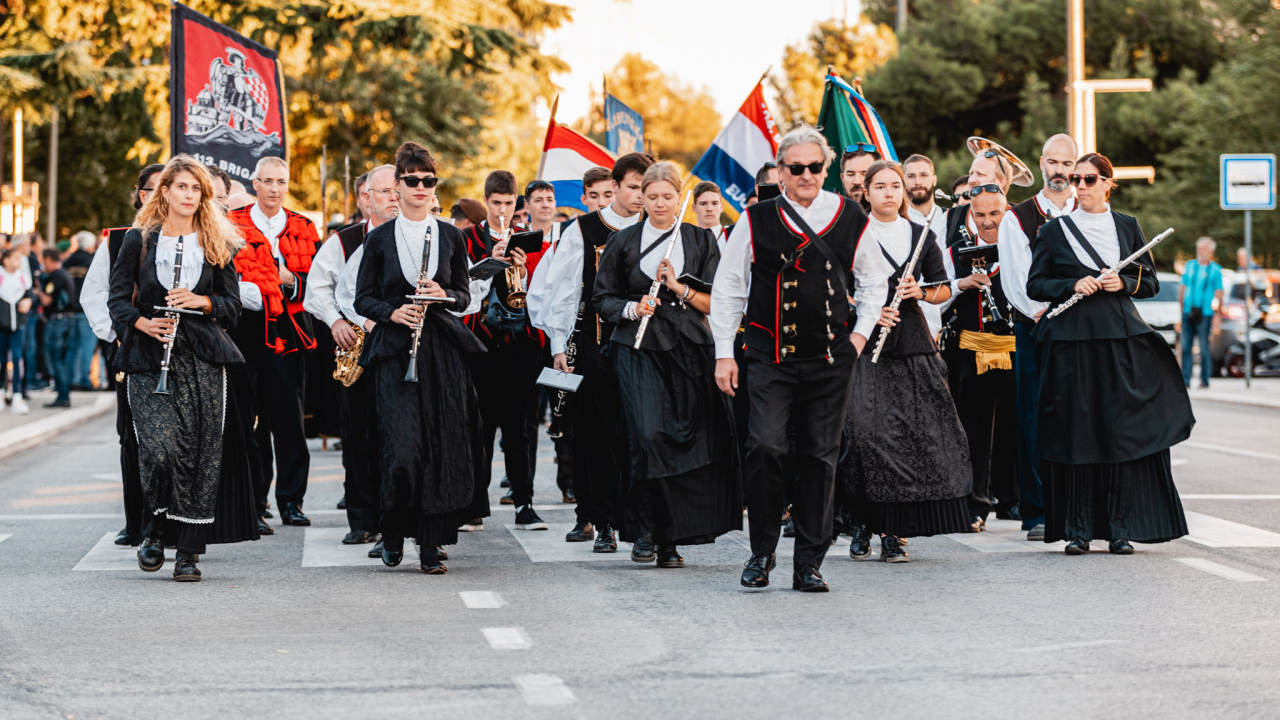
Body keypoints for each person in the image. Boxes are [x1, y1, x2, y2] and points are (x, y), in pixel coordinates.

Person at [711, 125, 880, 592]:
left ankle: (808, 562)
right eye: (796, 167)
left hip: (830, 359)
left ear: (826, 170)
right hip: (768, 356)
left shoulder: (849, 216)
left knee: (819, 458)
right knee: (764, 446)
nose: (806, 175)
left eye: (815, 167)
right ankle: (761, 552)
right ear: (781, 171)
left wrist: (860, 337)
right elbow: (728, 288)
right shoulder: (755, 219)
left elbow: (874, 282)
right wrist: (725, 353)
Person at [1028, 152, 1193, 554]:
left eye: (1088, 179)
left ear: (1107, 183)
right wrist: (1072, 285)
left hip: (1120, 339)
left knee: (1119, 433)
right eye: (1074, 180)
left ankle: (1122, 527)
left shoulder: (1127, 226)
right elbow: (1036, 285)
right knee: (1077, 435)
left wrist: (1124, 283)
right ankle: (1078, 530)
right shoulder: (1054, 231)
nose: (1079, 186)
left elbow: (1149, 281)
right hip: (1071, 342)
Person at [107, 154, 259, 581]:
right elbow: (117, 299)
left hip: (204, 357)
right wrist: (141, 321)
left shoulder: (218, 242)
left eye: (196, 189)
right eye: (182, 188)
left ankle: (188, 552)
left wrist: (202, 301)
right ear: (166, 192)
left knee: (200, 454)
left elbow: (232, 307)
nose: (189, 195)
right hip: (148, 353)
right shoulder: (138, 239)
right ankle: (153, 527)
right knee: (159, 449)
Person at [592, 161, 741, 567]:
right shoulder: (623, 242)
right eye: (651, 196)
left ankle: (671, 536)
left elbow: (718, 303)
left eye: (667, 196)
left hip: (689, 350)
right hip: (637, 350)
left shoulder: (700, 241)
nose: (659, 204)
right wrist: (631, 307)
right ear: (641, 197)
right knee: (647, 435)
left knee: (684, 440)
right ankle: (644, 530)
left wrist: (679, 288)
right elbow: (601, 300)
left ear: (680, 197)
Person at [353, 141, 485, 574]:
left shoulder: (451, 234)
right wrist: (393, 311)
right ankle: (392, 530)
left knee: (439, 447)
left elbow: (465, 294)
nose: (422, 187)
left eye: (429, 180)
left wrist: (443, 295)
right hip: (394, 352)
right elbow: (362, 299)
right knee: (403, 449)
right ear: (398, 185)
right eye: (412, 180)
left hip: (442, 353)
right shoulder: (378, 238)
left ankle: (430, 544)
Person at [837, 161, 969, 563]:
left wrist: (919, 292)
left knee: (909, 439)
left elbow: (944, 288)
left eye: (896, 186)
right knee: (862, 436)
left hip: (911, 344)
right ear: (867, 192)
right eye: (881, 186)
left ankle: (894, 532)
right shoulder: (852, 236)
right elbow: (835, 287)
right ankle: (862, 522)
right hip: (866, 346)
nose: (890, 192)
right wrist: (865, 307)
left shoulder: (921, 234)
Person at [540, 152, 653, 548]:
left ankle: (641, 521)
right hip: (597, 343)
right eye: (635, 187)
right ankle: (600, 519)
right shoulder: (584, 229)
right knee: (597, 433)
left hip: (647, 347)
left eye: (647, 187)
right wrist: (559, 344)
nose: (641, 196)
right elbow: (562, 289)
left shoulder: (658, 229)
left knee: (641, 433)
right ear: (618, 185)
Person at [305, 167, 398, 546]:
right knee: (358, 435)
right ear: (366, 198)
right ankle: (361, 519)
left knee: (395, 435)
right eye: (386, 191)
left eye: (398, 190)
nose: (394, 197)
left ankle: (395, 518)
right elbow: (316, 290)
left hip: (397, 345)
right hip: (355, 346)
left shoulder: (413, 235)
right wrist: (336, 322)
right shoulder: (342, 242)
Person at [227, 156, 320, 528]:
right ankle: (255, 501)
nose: (273, 188)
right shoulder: (231, 223)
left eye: (280, 181)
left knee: (289, 420)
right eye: (266, 181)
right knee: (249, 421)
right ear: (254, 184)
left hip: (290, 331)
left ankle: (291, 501)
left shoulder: (304, 226)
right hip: (245, 330)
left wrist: (289, 281)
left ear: (287, 184)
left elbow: (319, 283)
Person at [998, 133, 1079, 541]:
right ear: (1042, 164)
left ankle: (1078, 506)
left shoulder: (1092, 209)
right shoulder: (1019, 217)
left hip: (1081, 330)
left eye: (1068, 164)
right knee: (1033, 415)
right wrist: (1041, 313)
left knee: (1078, 415)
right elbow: (1015, 278)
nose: (1060, 171)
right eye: (1054, 163)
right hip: (1036, 326)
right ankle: (1038, 511)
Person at [459, 171, 549, 533]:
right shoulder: (467, 239)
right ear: (486, 202)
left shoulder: (530, 240)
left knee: (519, 425)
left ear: (518, 204)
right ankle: (473, 504)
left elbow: (542, 292)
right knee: (479, 426)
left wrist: (522, 272)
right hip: (481, 341)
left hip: (520, 344)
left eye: (508, 204)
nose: (502, 210)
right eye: (495, 204)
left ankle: (524, 502)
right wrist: (490, 264)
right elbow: (461, 291)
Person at [82, 163, 163, 546]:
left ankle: (176, 522)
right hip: (131, 347)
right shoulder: (118, 239)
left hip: (179, 350)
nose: (159, 195)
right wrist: (118, 334)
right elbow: (95, 294)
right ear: (140, 194)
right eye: (151, 189)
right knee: (131, 438)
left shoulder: (194, 235)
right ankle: (136, 523)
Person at [941, 184, 1017, 533]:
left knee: (1017, 426)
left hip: (1015, 347)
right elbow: (937, 297)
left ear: (1007, 210)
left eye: (995, 213)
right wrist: (961, 283)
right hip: (972, 348)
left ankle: (1017, 498)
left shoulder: (1022, 246)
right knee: (974, 431)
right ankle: (975, 504)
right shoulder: (955, 250)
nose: (988, 222)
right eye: (981, 214)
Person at [902, 154, 947, 336]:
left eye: (924, 175)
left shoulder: (950, 219)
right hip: (908, 321)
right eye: (911, 176)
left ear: (934, 179)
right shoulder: (899, 222)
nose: (917, 181)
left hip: (949, 319)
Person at [35, 248, 76, 408]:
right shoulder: (65, 274)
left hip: (57, 322)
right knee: (62, 359)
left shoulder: (56, 276)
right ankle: (63, 395)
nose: (42, 264)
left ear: (48, 259)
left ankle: (63, 396)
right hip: (66, 321)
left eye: (43, 260)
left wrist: (38, 291)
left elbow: (47, 301)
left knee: (55, 359)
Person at [1180, 237, 1223, 389]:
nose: (1201, 252)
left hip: (1205, 313)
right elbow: (1183, 288)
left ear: (1211, 251)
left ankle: (1204, 380)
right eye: (1199, 249)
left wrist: (1217, 315)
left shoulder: (1216, 270)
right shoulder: (1190, 265)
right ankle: (1185, 380)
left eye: (1205, 249)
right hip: (1188, 312)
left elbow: (1218, 293)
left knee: (1204, 348)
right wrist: (1181, 311)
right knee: (1186, 348)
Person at [63, 231, 99, 390]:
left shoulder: (67, 262)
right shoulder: (93, 262)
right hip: (87, 310)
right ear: (90, 245)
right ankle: (84, 380)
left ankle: (69, 380)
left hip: (69, 310)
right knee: (86, 346)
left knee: (72, 347)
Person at [0, 248, 33, 414]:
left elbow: (31, 295)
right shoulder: (0, 276)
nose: (19, 261)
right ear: (5, 260)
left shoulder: (22, 278)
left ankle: (17, 394)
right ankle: (1, 391)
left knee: (18, 357)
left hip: (18, 325)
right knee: (1, 360)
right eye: (15, 258)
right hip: (1, 326)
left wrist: (29, 302)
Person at [692, 181, 728, 251]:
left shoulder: (732, 235)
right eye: (703, 204)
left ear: (721, 207)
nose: (709, 209)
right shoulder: (686, 239)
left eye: (714, 203)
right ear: (694, 207)